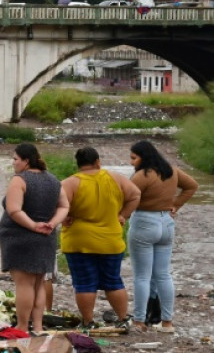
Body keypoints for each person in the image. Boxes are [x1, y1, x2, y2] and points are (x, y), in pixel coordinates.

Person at [60, 146, 141, 329]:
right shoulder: (116, 178)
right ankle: (123, 319)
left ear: (78, 164)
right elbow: (136, 195)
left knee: (84, 283)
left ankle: (88, 322)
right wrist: (123, 215)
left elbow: (57, 205)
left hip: (79, 241)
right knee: (113, 281)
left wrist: (64, 218)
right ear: (98, 161)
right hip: (110, 240)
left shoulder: (70, 183)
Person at [127, 140, 198, 333]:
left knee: (142, 276)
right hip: (166, 222)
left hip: (144, 222)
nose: (132, 162)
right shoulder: (171, 170)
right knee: (163, 275)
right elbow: (192, 186)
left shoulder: (142, 175)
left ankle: (139, 320)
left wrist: (122, 215)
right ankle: (167, 322)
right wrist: (176, 204)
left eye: (134, 158)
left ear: (143, 157)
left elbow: (127, 196)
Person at [0, 143, 69, 333]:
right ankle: (37, 326)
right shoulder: (53, 180)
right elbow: (64, 206)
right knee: (38, 284)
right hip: (46, 238)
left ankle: (22, 325)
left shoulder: (19, 180)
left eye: (15, 159)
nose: (13, 163)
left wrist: (33, 225)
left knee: (24, 284)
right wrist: (52, 223)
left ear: (26, 161)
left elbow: (14, 210)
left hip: (21, 238)